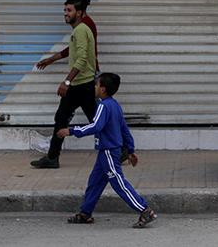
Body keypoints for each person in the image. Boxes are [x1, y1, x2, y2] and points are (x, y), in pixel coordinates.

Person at [57, 73, 157, 228]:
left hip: (109, 151)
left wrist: (72, 131)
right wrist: (130, 149)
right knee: (95, 182)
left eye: (97, 85)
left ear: (103, 89)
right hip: (106, 151)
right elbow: (124, 128)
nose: (94, 87)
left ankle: (144, 210)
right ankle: (85, 213)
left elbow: (95, 126)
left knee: (118, 182)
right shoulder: (115, 105)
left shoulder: (103, 106)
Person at [30, 0, 98, 169]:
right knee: (61, 118)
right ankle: (52, 157)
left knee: (97, 119)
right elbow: (73, 50)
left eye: (69, 10)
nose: (65, 13)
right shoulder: (80, 29)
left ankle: (120, 148)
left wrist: (66, 81)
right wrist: (51, 59)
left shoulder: (83, 28)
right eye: (65, 10)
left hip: (83, 84)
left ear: (80, 12)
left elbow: (82, 58)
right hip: (78, 84)